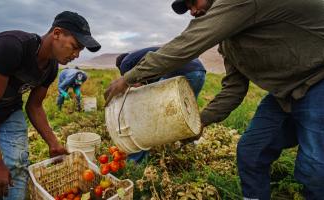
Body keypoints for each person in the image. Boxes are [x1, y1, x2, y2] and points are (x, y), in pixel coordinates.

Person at [104, 0, 324, 199]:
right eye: (188, 8)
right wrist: (200, 122)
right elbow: (234, 90)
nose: (193, 11)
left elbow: (190, 42)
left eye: (193, 2)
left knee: (314, 168)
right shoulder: (230, 45)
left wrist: (129, 78)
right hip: (284, 94)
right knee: (251, 152)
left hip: (318, 78)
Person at [0, 11, 101, 199]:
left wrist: (53, 143)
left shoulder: (51, 68)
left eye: (79, 51)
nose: (76, 55)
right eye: (75, 47)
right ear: (56, 33)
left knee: (17, 164)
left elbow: (34, 106)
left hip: (10, 110)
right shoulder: (13, 46)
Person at [116, 46, 206, 162]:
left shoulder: (125, 64)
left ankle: (135, 161)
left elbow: (134, 86)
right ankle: (187, 149)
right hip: (199, 71)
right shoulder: (140, 57)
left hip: (179, 71)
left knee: (151, 116)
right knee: (187, 113)